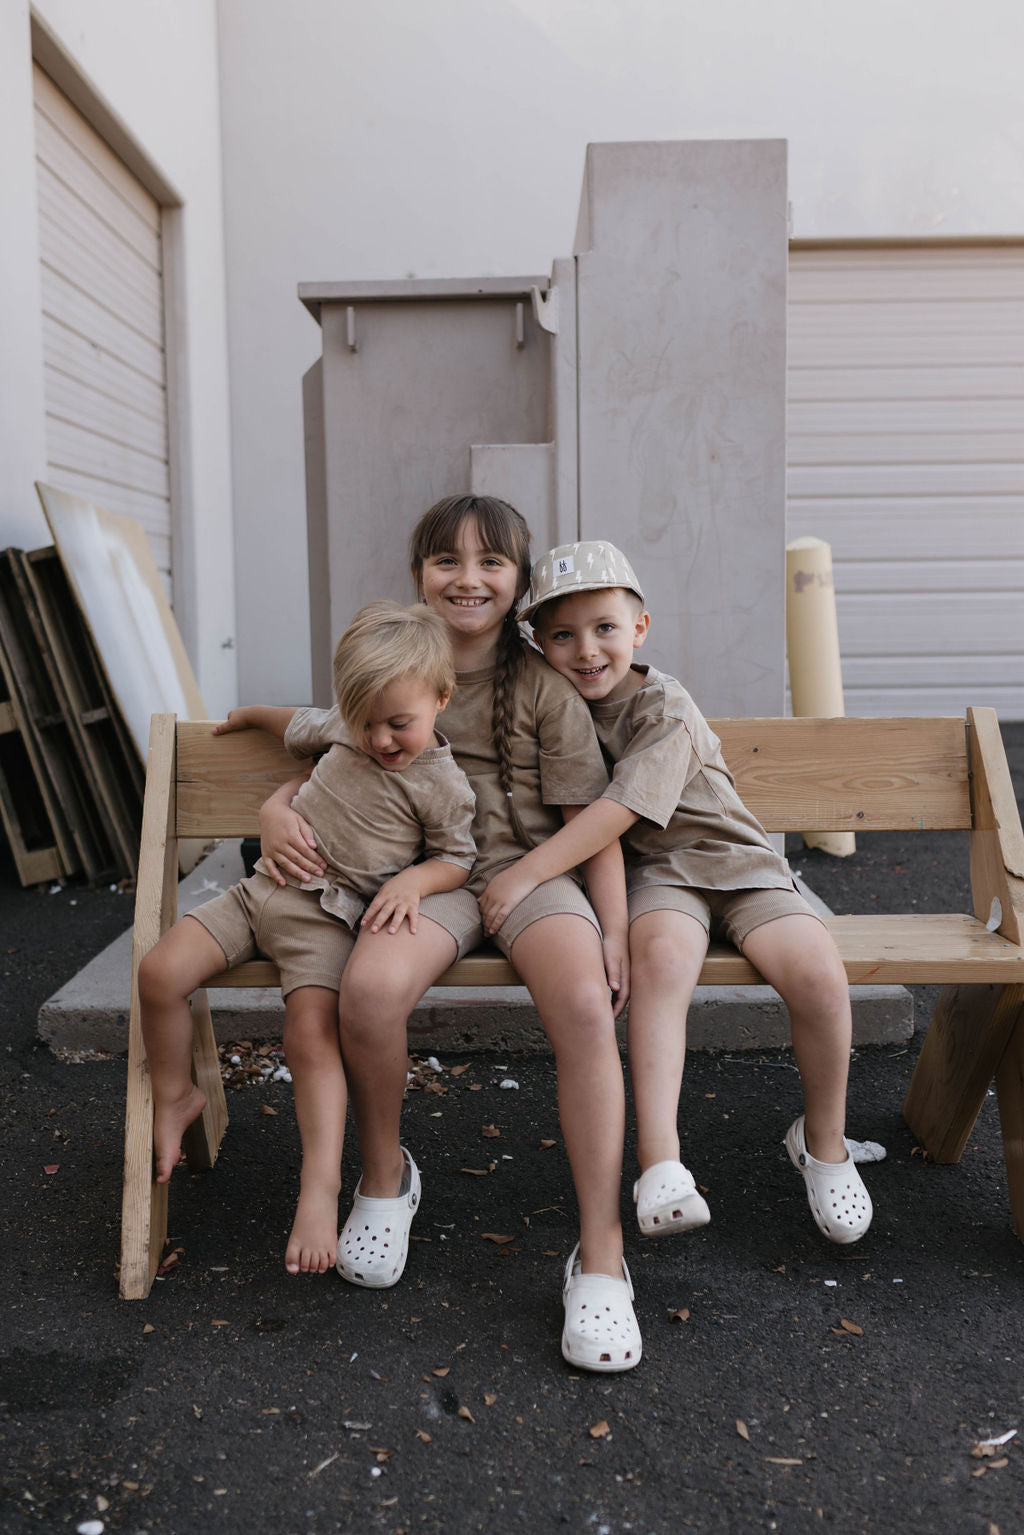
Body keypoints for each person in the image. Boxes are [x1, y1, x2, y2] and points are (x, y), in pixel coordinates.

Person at [260, 496, 643, 1372]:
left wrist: (612, 929)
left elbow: (595, 818)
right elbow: (311, 746)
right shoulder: (390, 666)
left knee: (587, 1004)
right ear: (417, 573)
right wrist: (270, 804)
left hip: (533, 875)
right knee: (370, 989)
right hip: (429, 883)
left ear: (520, 580)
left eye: (490, 563)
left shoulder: (545, 685)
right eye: (445, 560)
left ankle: (603, 1254)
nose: (467, 578)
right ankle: (385, 1176)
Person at [478, 540, 873, 1247]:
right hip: (658, 877)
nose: (587, 649)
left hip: (739, 863)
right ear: (537, 642)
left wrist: (527, 870)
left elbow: (615, 812)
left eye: (604, 627)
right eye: (562, 635)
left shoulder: (665, 703)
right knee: (657, 964)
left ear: (641, 627)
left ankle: (825, 1144)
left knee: (817, 973)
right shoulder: (551, 707)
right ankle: (660, 1162)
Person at [137, 600, 475, 1278]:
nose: (380, 737)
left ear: (441, 698)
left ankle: (318, 1189)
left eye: (399, 723)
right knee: (158, 971)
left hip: (326, 918)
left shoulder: (440, 782)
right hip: (258, 892)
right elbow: (291, 720)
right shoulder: (343, 727)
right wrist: (245, 715)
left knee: (308, 1035)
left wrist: (415, 884)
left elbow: (458, 858)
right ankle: (176, 1091)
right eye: (366, 721)